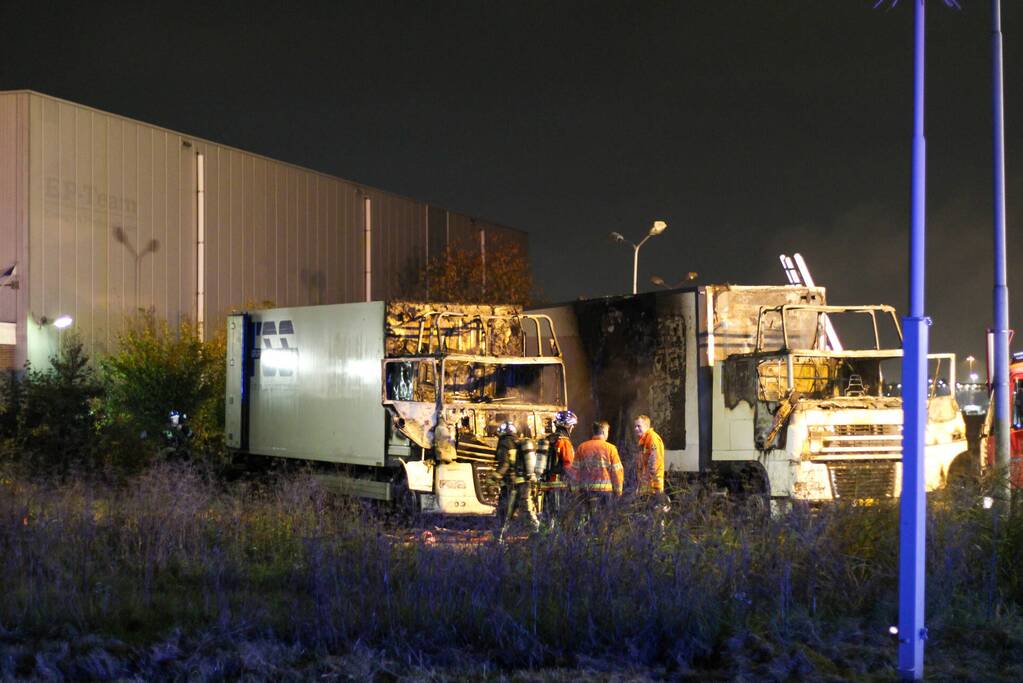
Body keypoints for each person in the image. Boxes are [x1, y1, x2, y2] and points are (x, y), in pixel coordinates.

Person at [493, 421, 540, 542]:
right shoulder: (518, 442)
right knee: (528, 511)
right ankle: (539, 533)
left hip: (511, 485)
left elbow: (504, 465)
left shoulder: (504, 443)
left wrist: (492, 478)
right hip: (524, 484)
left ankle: (497, 539)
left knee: (504, 512)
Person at [569, 420, 623, 517]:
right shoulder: (611, 448)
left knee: (587, 521)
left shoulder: (582, 447)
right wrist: (618, 492)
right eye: (607, 432)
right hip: (605, 494)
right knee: (604, 521)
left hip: (586, 492)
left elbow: (574, 472)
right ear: (603, 432)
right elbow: (617, 472)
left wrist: (575, 492)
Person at [540, 409, 577, 523]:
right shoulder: (564, 442)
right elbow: (568, 465)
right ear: (567, 425)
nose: (573, 428)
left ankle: (544, 538)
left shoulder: (547, 439)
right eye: (572, 425)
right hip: (559, 486)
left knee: (547, 515)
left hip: (546, 485)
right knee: (559, 517)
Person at [633, 414, 668, 507]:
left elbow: (654, 461)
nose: (636, 429)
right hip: (647, 488)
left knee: (655, 517)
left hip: (654, 488)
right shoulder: (643, 441)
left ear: (646, 426)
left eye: (638, 426)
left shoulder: (652, 438)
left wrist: (645, 480)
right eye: (635, 426)